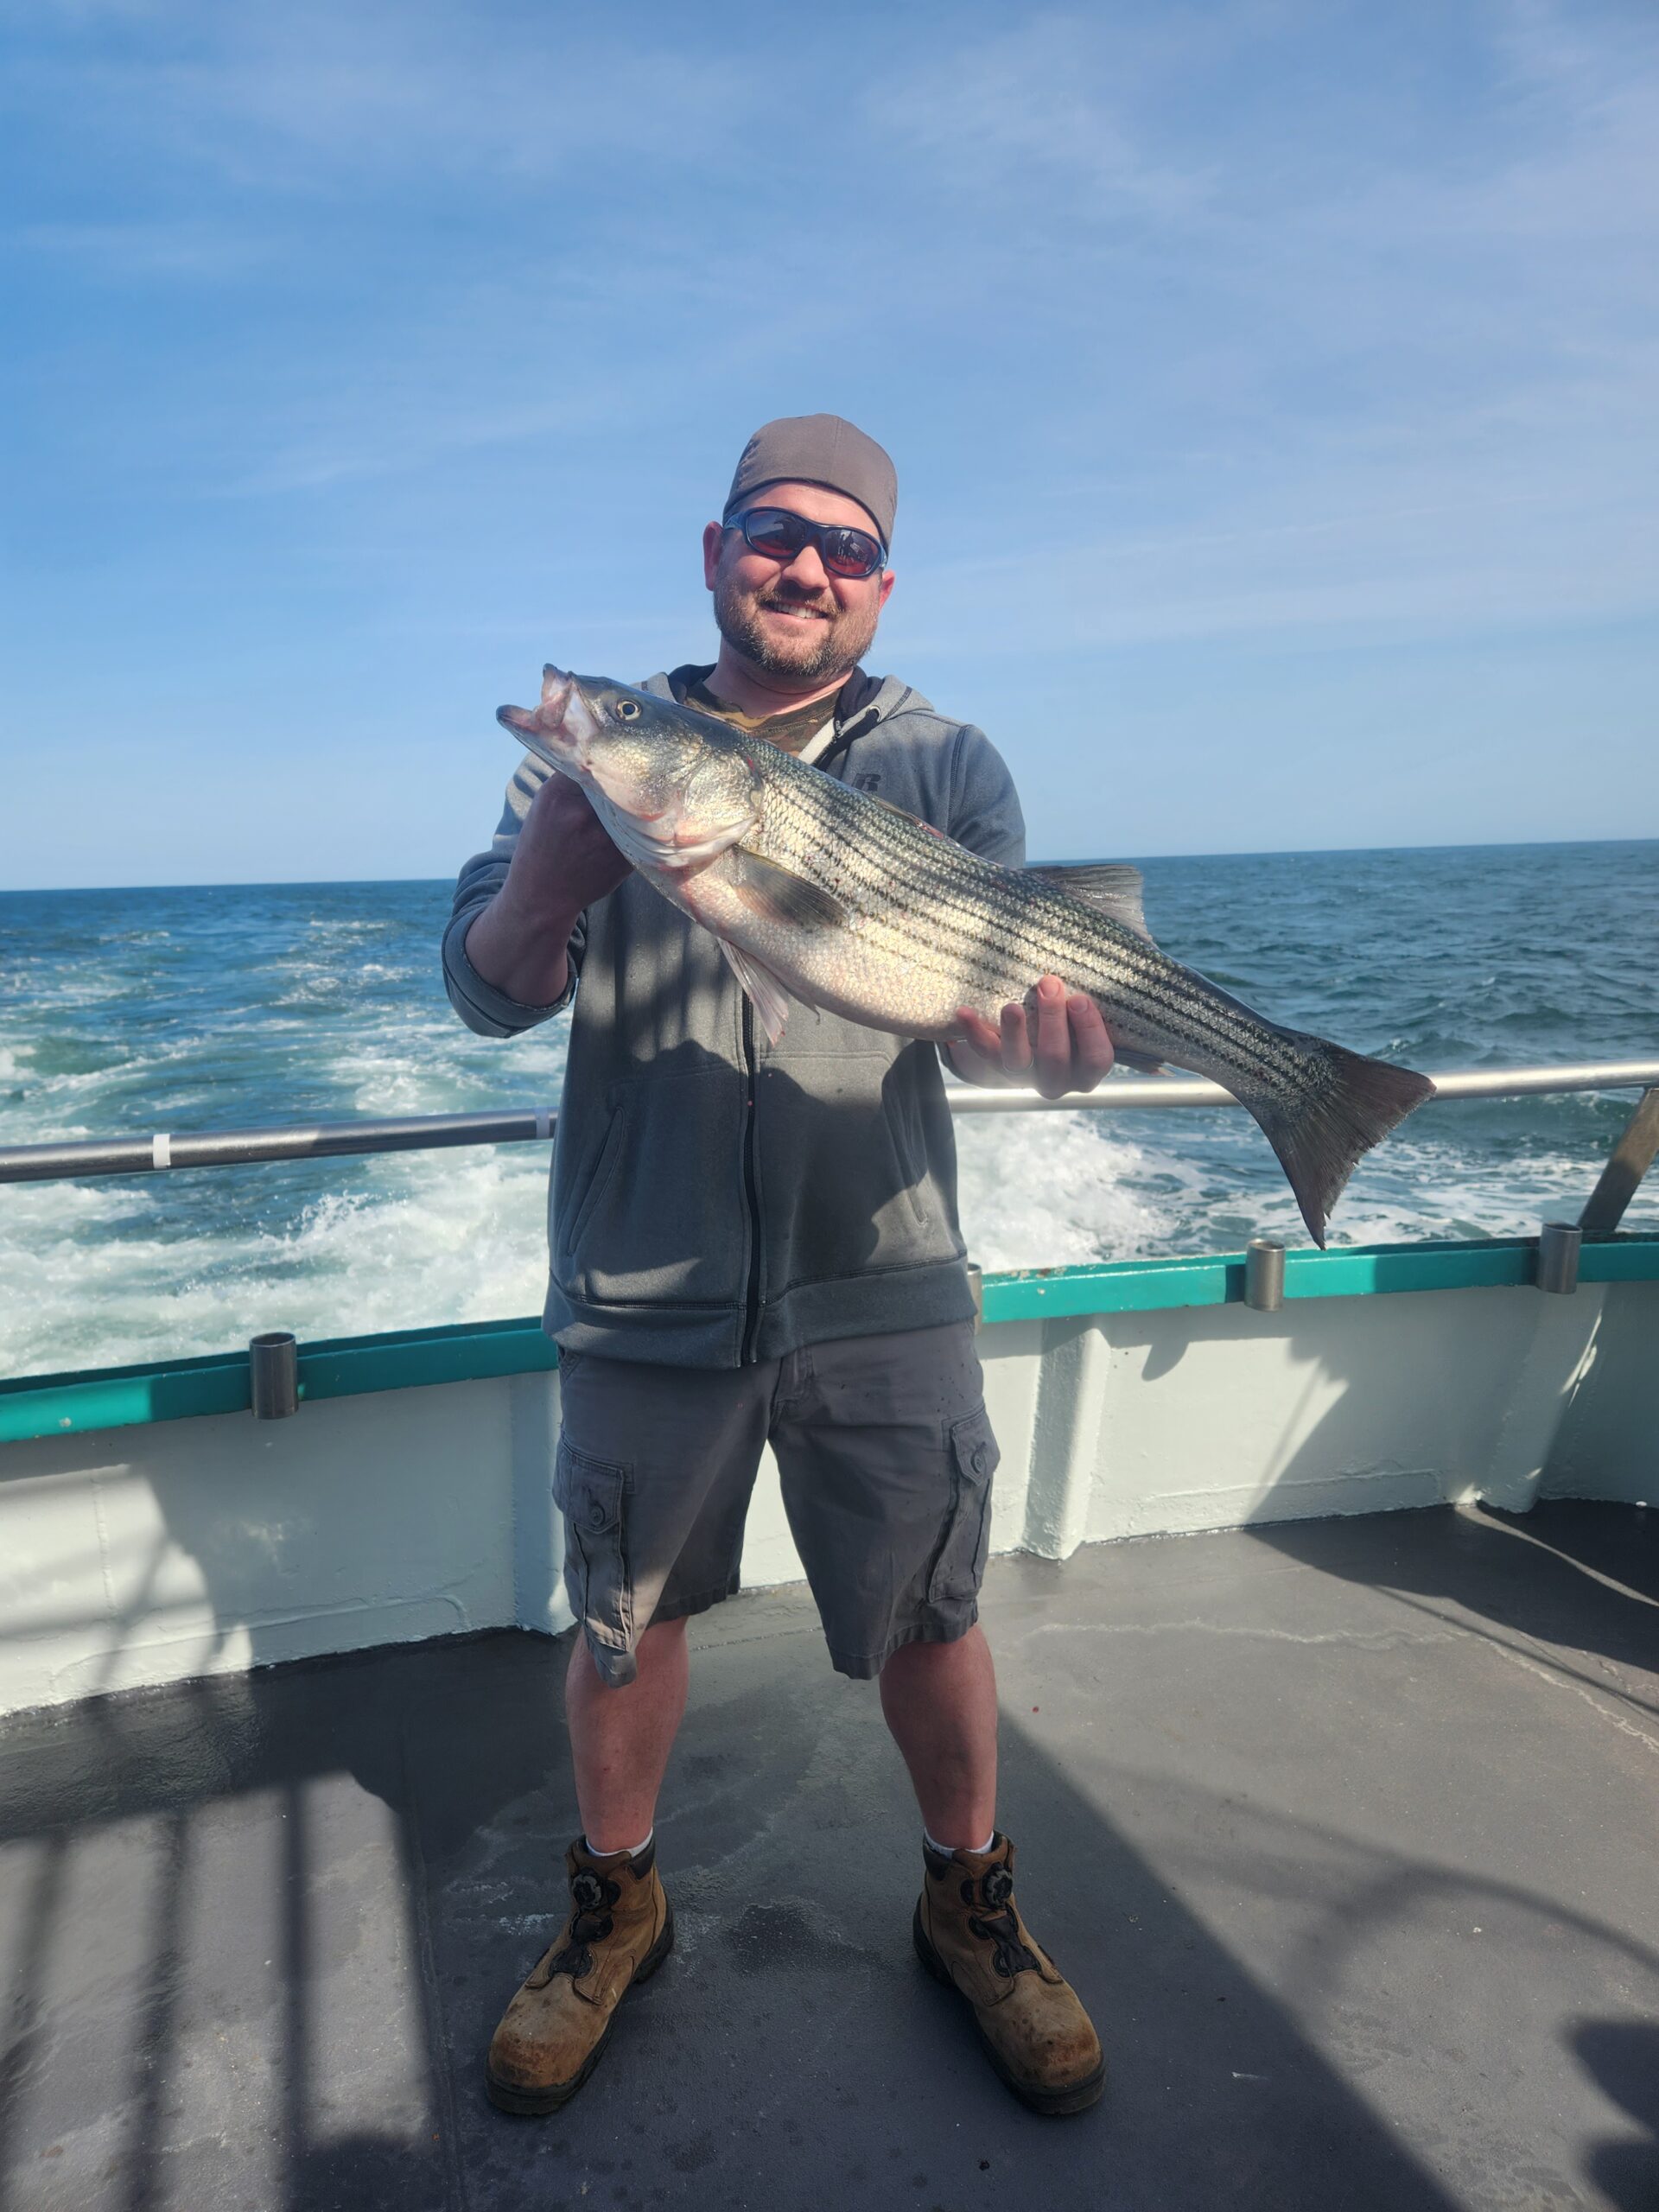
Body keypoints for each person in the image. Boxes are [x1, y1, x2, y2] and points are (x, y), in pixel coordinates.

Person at [443, 415, 1114, 2119]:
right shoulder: (591, 764)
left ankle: (971, 1896)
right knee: (625, 1620)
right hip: (644, 1280)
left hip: (881, 1271)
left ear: (881, 584)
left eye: (844, 544)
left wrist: (1046, 1051)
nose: (803, 565)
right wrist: (544, 879)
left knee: (933, 1611)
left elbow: (977, 1037)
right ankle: (616, 1905)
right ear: (715, 548)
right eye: (772, 530)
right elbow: (489, 983)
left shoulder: (946, 762)